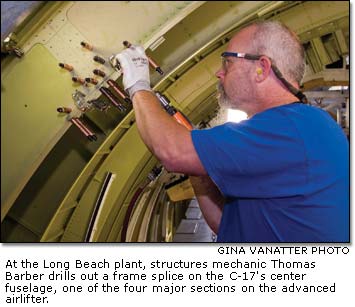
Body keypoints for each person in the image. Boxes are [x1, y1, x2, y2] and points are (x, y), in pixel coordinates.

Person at [114, 21, 349, 242]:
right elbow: (227, 224)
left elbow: (172, 152)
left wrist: (138, 85)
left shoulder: (287, 130)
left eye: (228, 61)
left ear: (261, 69)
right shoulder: (305, 124)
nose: (219, 72)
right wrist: (198, 167)